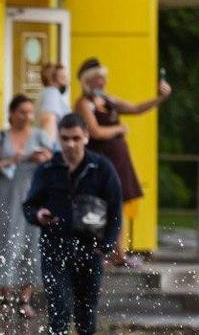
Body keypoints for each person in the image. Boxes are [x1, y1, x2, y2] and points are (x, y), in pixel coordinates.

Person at [23, 113, 123, 335]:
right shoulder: (47, 170)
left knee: (86, 315)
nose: (70, 144)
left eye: (76, 138)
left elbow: (115, 211)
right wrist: (38, 215)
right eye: (65, 139)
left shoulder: (102, 169)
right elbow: (29, 205)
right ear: (59, 138)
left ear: (86, 137)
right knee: (58, 308)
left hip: (90, 250)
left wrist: (108, 245)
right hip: (54, 247)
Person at [73, 56, 170, 267]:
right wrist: (119, 129)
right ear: (88, 81)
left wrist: (159, 98)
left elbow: (136, 108)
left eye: (103, 79)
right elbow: (95, 131)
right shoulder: (84, 103)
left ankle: (119, 253)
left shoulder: (108, 100)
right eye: (99, 79)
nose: (103, 83)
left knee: (118, 205)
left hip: (118, 160)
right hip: (100, 161)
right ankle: (107, 251)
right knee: (100, 206)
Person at [0, 94, 55, 316]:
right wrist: (18, 158)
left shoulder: (41, 136)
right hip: (6, 197)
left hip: (33, 196)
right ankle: (5, 296)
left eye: (30, 112)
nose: (26, 116)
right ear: (11, 113)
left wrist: (44, 159)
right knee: (5, 241)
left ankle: (25, 299)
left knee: (32, 243)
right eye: (22, 112)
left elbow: (55, 161)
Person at [37, 63, 70, 140]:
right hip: (54, 150)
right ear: (51, 80)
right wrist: (49, 149)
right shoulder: (51, 93)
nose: (67, 81)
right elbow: (48, 121)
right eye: (63, 77)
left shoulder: (47, 93)